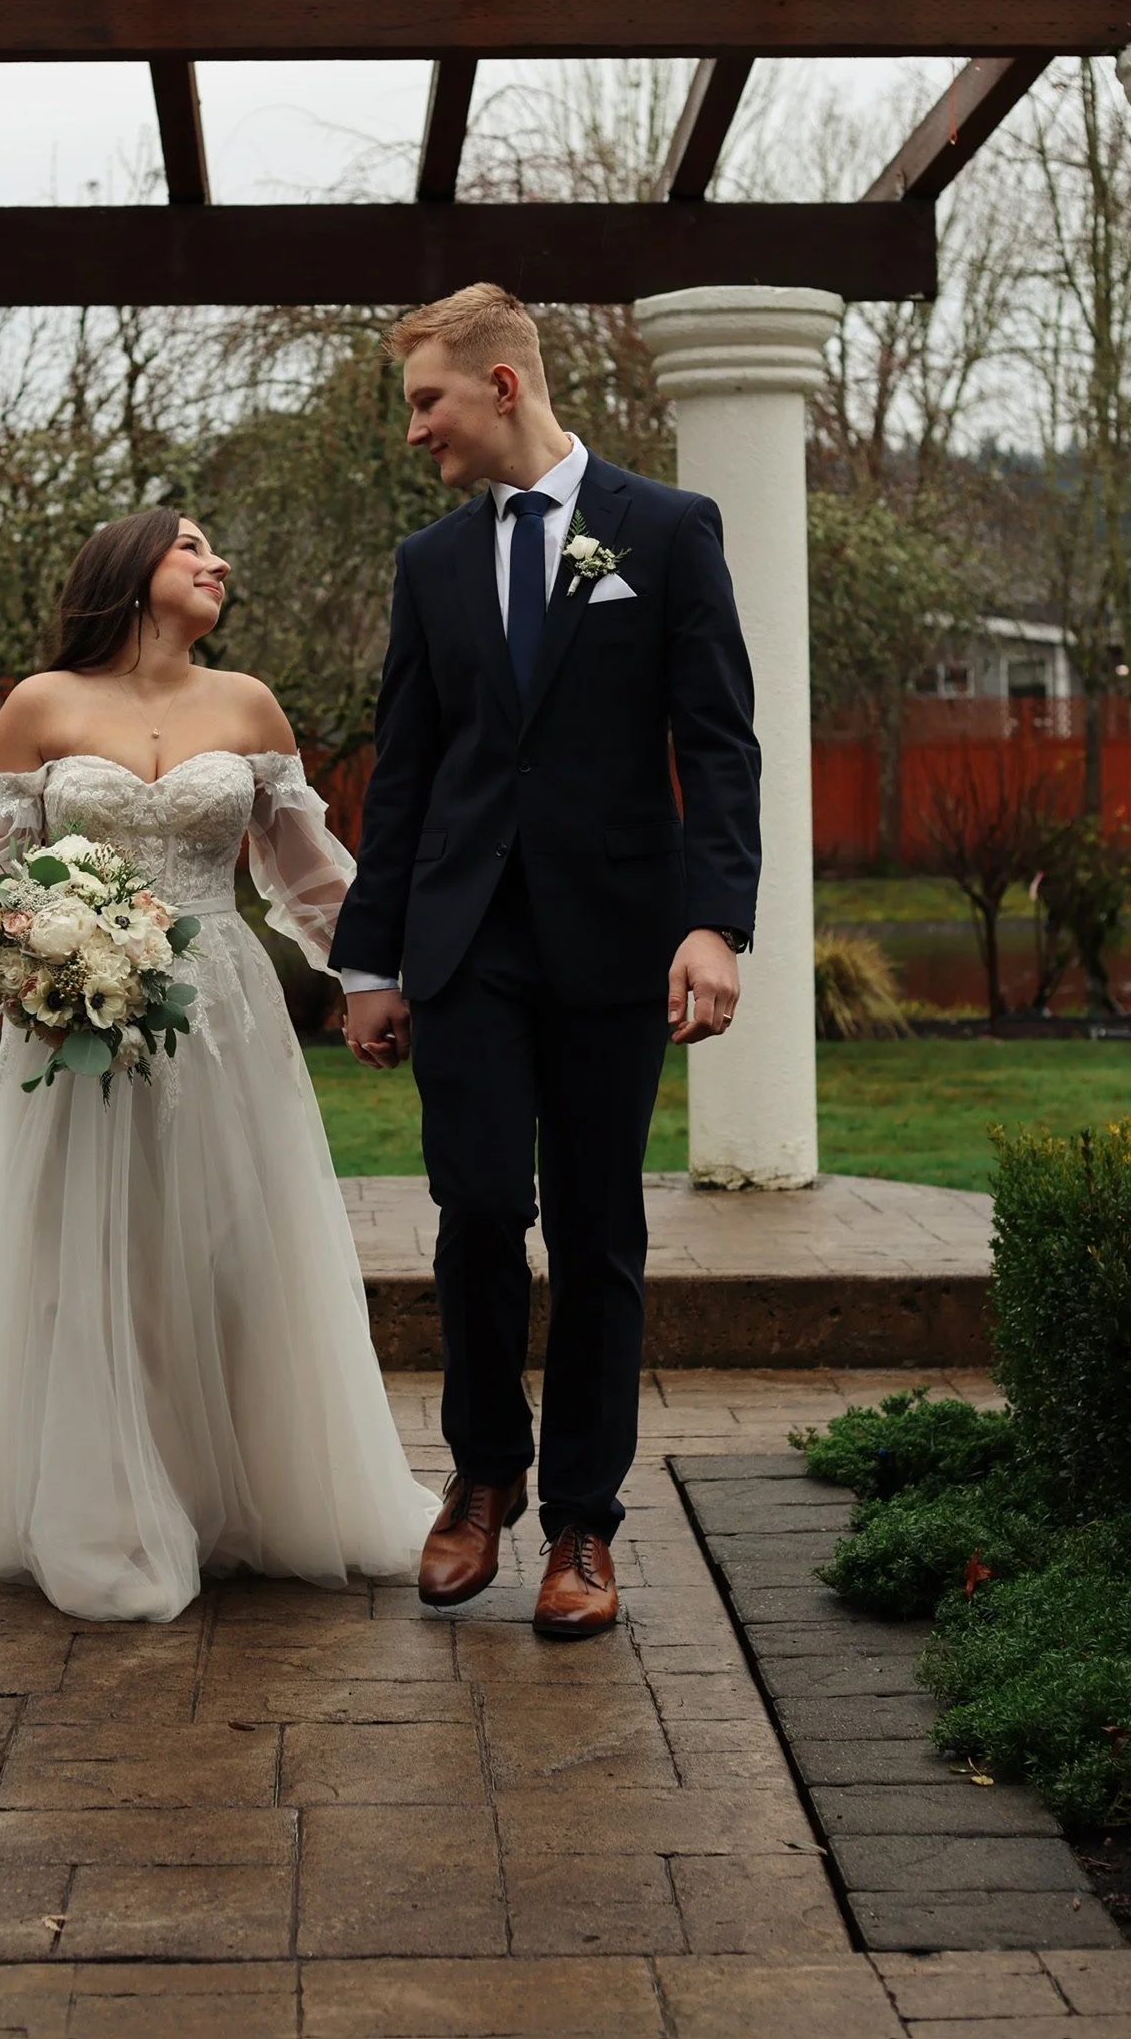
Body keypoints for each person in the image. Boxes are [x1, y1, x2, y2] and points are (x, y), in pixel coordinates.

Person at [0, 509, 436, 1622]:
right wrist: (35, 962)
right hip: (75, 1013)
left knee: (229, 1236)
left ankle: (245, 1480)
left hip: (220, 998)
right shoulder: (40, 704)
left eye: (220, 548)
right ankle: (107, 1493)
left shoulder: (249, 702)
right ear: (132, 573)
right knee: (89, 1238)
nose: (219, 560)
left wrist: (375, 974)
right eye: (193, 547)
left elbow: (307, 870)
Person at [332, 283, 761, 1639]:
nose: (416, 433)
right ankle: (482, 1478)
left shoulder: (668, 531)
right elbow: (403, 775)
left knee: (597, 1229)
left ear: (503, 385)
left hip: (614, 939)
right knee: (472, 1208)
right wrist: (370, 962)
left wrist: (715, 919)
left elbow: (719, 742)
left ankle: (583, 1517)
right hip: (466, 944)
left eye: (427, 400)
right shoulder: (431, 565)